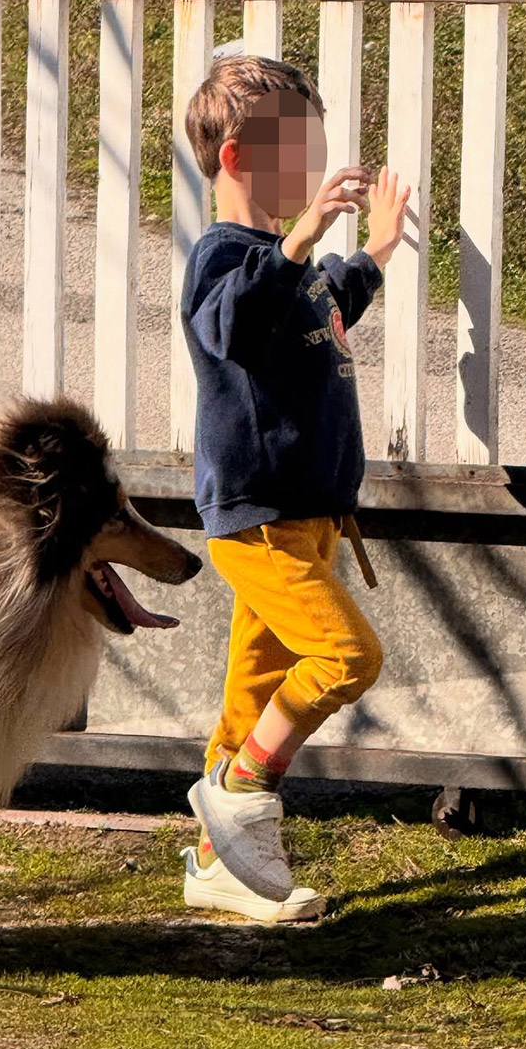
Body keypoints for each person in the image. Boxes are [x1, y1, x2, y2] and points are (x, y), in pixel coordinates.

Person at [178, 54, 410, 923]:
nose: (314, 168)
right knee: (347, 658)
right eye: (297, 150)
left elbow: (325, 303)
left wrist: (372, 251)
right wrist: (303, 233)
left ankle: (219, 866)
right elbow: (231, 322)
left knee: (250, 693)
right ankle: (241, 792)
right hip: (260, 520)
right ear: (237, 157)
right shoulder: (222, 259)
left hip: (310, 520)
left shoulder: (287, 260)